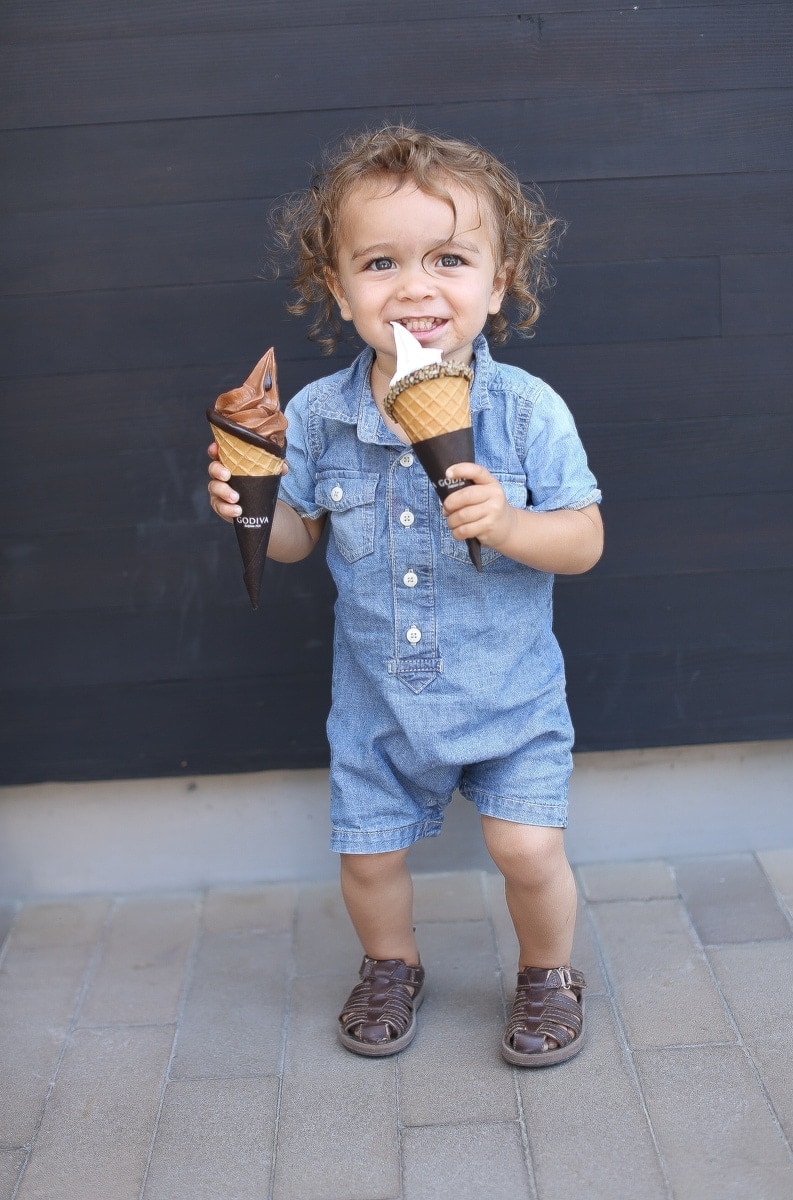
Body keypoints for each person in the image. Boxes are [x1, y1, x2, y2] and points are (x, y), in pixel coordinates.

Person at [208, 125, 603, 1066]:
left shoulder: (525, 412)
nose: (416, 288)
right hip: (380, 703)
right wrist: (249, 508)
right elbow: (300, 540)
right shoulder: (314, 416)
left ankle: (548, 974)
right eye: (381, 262)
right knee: (369, 859)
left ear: (499, 283)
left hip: (508, 696)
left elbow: (584, 541)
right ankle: (392, 963)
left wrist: (509, 523)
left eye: (451, 259)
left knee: (527, 853)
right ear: (339, 289)